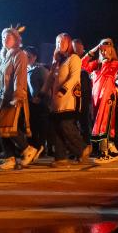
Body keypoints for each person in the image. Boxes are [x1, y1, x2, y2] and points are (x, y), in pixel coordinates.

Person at [0, 26, 38, 170]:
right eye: (3, 37)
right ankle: (10, 158)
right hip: (0, 99)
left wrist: (17, 94)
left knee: (8, 126)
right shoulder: (0, 56)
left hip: (13, 97)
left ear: (16, 40)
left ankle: (27, 149)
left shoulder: (19, 55)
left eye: (8, 37)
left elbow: (19, 76)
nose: (5, 39)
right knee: (0, 128)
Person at [43, 33, 90, 167]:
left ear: (69, 44)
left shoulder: (74, 58)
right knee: (57, 128)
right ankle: (60, 157)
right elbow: (49, 79)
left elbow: (74, 78)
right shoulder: (57, 62)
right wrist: (41, 94)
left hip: (69, 100)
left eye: (62, 42)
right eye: (57, 42)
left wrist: (62, 90)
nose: (59, 44)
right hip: (56, 101)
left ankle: (82, 148)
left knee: (66, 126)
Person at [81, 38, 118, 161]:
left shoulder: (114, 63)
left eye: (106, 49)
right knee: (98, 123)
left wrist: (105, 60)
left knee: (104, 123)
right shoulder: (96, 64)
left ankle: (105, 153)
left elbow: (105, 73)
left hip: (107, 96)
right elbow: (82, 64)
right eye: (101, 50)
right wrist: (94, 49)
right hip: (96, 97)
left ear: (111, 50)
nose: (103, 52)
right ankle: (112, 152)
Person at [25, 46, 50, 157]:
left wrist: (40, 97)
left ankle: (41, 148)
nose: (26, 58)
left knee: (41, 127)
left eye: (29, 56)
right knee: (33, 128)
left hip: (41, 103)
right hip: (30, 103)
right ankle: (35, 149)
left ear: (35, 57)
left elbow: (47, 85)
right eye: (25, 56)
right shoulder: (26, 70)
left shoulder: (40, 69)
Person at [72, 38, 94, 144]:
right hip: (74, 96)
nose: (75, 50)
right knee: (75, 121)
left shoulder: (88, 59)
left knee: (84, 121)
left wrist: (89, 100)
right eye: (73, 48)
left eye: (77, 47)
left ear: (82, 47)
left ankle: (87, 144)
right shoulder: (71, 59)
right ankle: (77, 145)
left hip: (85, 96)